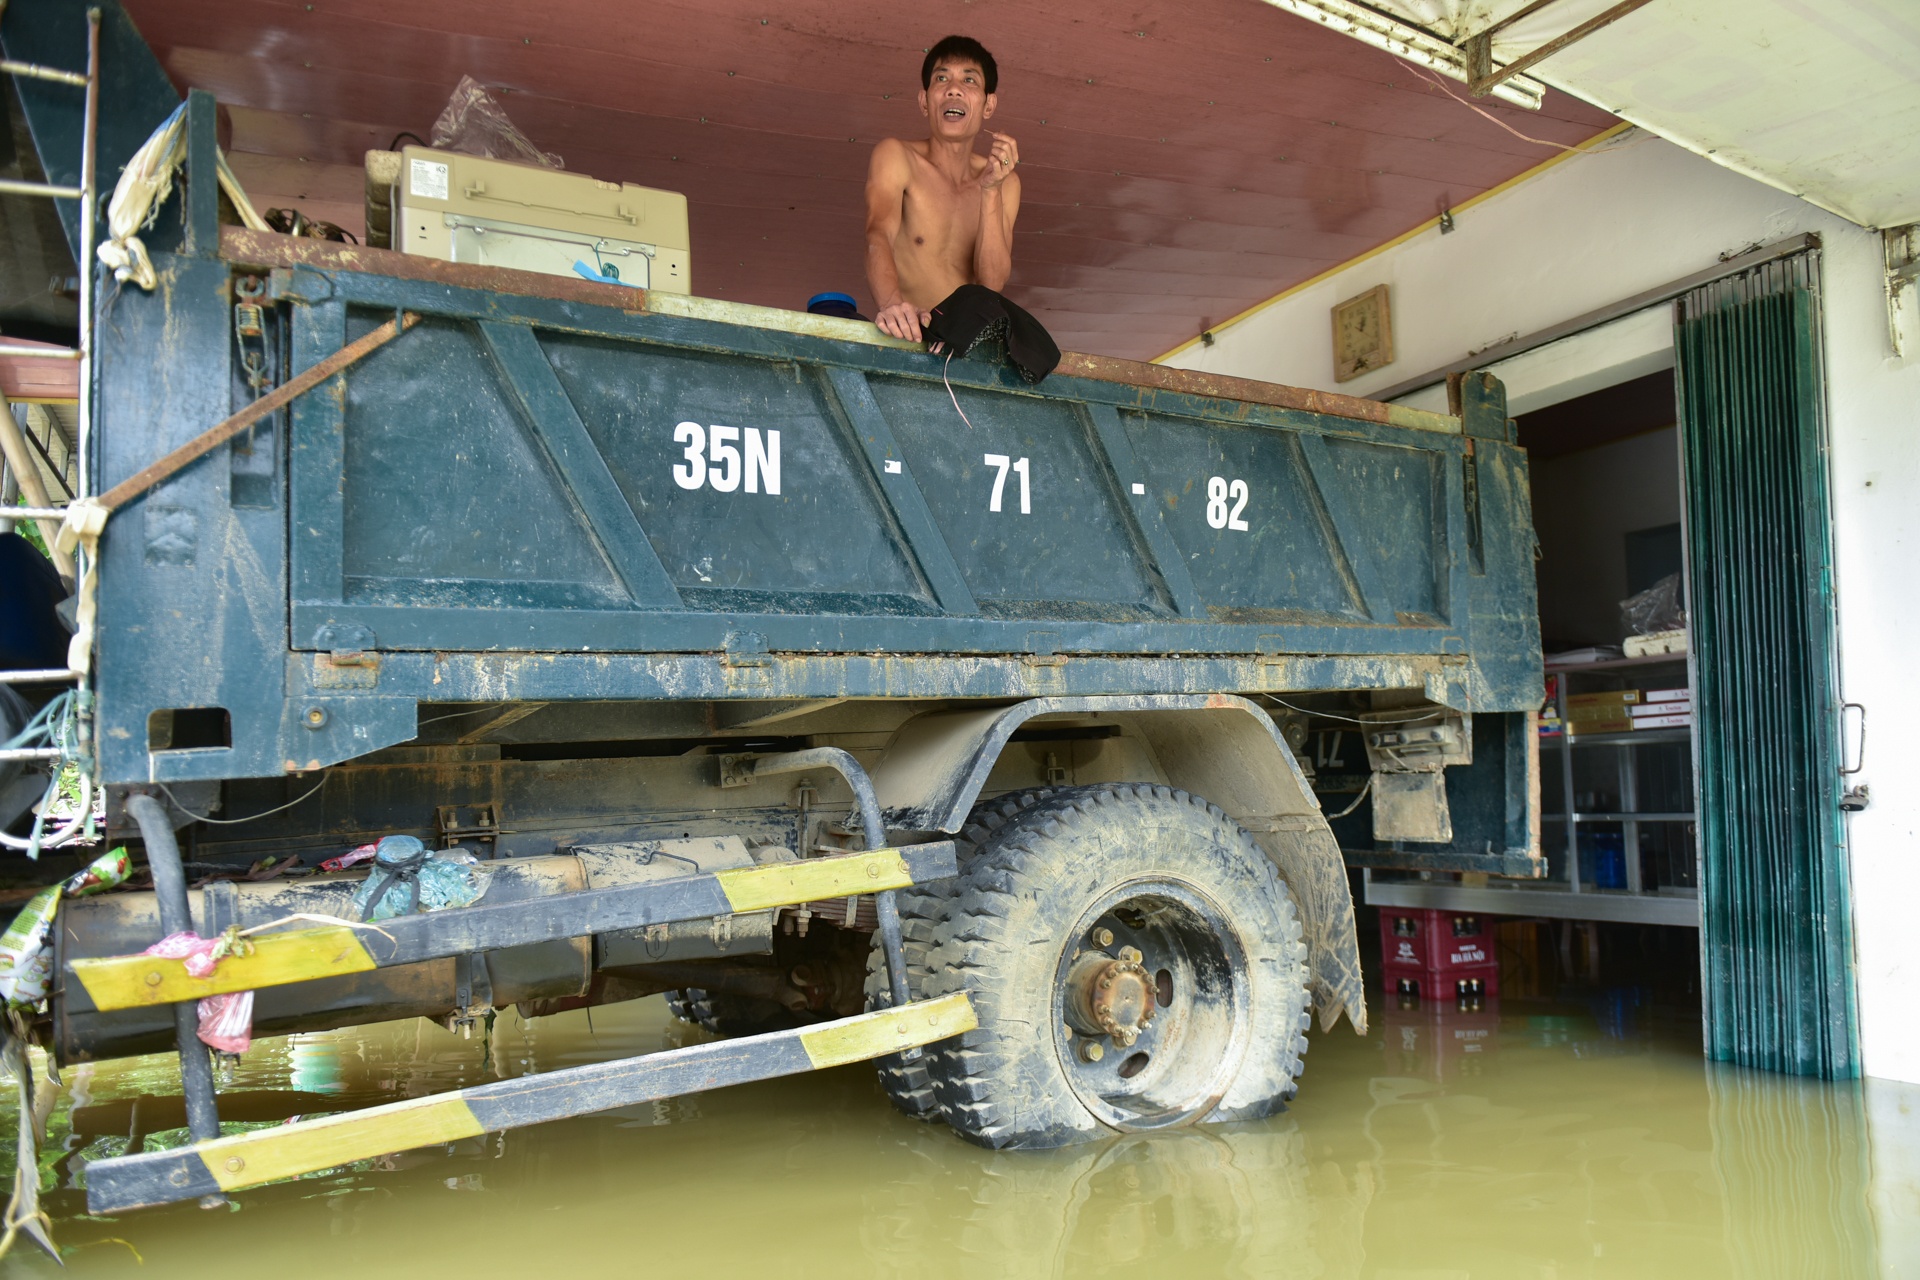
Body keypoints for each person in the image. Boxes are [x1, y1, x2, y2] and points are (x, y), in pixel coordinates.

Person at [864, 36, 1020, 343]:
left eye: (969, 80)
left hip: (968, 346)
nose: (954, 89)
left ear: (988, 105)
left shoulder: (1007, 181)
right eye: (942, 78)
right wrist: (892, 305)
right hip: (908, 336)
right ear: (924, 101)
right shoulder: (897, 156)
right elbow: (877, 234)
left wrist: (991, 189)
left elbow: (991, 285)